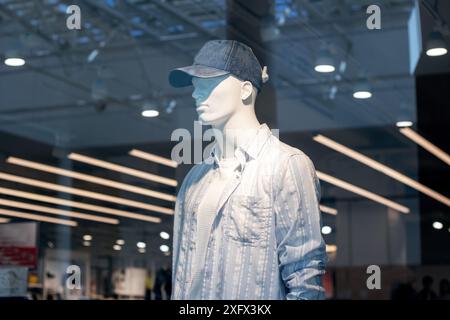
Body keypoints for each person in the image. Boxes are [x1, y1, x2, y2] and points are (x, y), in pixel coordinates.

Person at [169, 40, 327, 299]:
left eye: (208, 83)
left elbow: (304, 279)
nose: (197, 94)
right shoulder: (194, 180)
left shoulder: (286, 165)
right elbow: (182, 274)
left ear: (244, 90)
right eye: (196, 86)